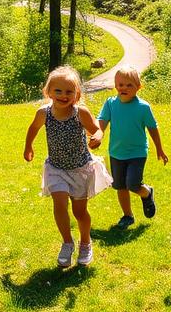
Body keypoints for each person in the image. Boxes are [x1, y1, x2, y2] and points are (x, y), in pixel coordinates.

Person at [24, 65, 112, 267]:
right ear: (48, 92)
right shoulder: (43, 113)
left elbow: (96, 130)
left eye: (69, 92)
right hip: (56, 168)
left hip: (80, 169)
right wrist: (28, 146)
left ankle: (86, 243)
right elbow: (33, 128)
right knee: (60, 203)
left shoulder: (79, 112)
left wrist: (97, 137)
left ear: (77, 94)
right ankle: (67, 243)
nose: (63, 95)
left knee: (80, 212)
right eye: (58, 91)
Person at [96, 65, 169, 228]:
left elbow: (152, 127)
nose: (124, 88)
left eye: (129, 85)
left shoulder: (143, 107)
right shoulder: (110, 104)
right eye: (120, 84)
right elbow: (101, 121)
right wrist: (98, 133)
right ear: (116, 86)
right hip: (116, 152)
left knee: (133, 184)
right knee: (120, 186)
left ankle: (147, 193)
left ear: (138, 87)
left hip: (137, 152)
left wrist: (159, 148)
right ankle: (127, 216)